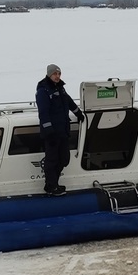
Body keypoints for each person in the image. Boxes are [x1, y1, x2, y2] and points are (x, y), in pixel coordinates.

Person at [35, 64, 85, 195]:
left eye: (59, 74)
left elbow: (68, 102)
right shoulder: (43, 91)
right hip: (52, 133)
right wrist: (49, 131)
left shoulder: (61, 88)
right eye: (55, 74)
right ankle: (51, 186)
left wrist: (78, 113)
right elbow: (43, 113)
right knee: (52, 160)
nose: (57, 76)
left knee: (64, 159)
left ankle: (54, 183)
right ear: (49, 75)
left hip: (62, 131)